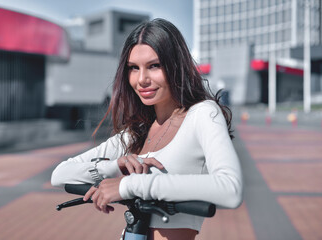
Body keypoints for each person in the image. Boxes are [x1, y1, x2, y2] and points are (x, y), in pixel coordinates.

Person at [51, 18, 243, 240]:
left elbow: (231, 188)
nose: (141, 79)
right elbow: (59, 175)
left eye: (154, 66)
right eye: (134, 68)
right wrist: (113, 168)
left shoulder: (202, 114)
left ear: (176, 65)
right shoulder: (136, 132)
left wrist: (130, 185)